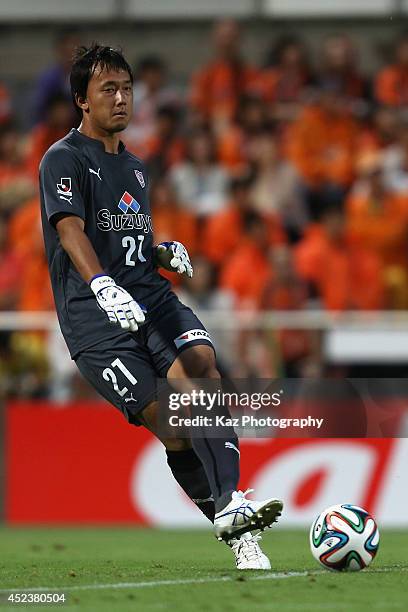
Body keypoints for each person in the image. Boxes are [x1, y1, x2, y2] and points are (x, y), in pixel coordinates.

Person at [39, 44, 283, 570]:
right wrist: (102, 285)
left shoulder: (135, 167)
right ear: (82, 100)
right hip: (94, 321)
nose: (121, 98)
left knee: (202, 371)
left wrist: (157, 251)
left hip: (151, 298)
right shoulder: (63, 159)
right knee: (173, 427)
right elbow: (70, 230)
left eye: (127, 88)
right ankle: (228, 516)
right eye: (109, 89)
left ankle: (235, 513)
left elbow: (121, 235)